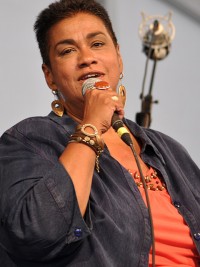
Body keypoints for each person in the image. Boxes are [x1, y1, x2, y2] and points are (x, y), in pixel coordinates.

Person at [0, 0, 200, 266]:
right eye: (68, 50)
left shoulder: (169, 151)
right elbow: (38, 232)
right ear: (49, 76)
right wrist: (90, 126)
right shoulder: (29, 139)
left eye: (97, 44)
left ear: (118, 57)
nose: (86, 58)